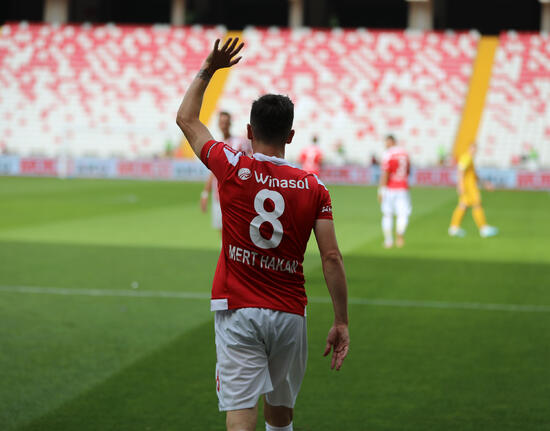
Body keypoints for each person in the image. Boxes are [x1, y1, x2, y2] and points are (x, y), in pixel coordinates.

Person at [176, 38, 349, 431]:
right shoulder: (314, 187)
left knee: (240, 415)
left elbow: (186, 119)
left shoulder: (232, 166)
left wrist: (209, 68)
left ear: (249, 131)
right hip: (289, 312)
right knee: (281, 415)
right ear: (290, 135)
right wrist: (341, 320)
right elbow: (331, 257)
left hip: (238, 309)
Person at [200, 111, 253, 231]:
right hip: (218, 194)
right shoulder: (217, 145)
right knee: (221, 229)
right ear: (218, 124)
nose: (223, 125)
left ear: (230, 123)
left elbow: (251, 160)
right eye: (221, 122)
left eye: (226, 122)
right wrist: (205, 193)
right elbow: (213, 171)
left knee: (236, 230)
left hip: (236, 194)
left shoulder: (240, 142)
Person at [449, 143, 498, 238]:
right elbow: (460, 170)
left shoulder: (470, 159)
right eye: (472, 149)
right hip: (469, 188)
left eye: (475, 149)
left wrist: (485, 183)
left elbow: (474, 175)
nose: (474, 151)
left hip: (468, 186)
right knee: (477, 204)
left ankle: (454, 228)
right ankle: (484, 229)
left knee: (463, 205)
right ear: (469, 149)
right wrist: (460, 185)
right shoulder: (466, 157)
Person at [378, 135, 411, 248]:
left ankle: (388, 240)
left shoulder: (388, 154)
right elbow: (408, 171)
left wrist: (381, 190)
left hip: (390, 188)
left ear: (391, 142)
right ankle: (400, 235)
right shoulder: (405, 153)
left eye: (386, 142)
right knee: (403, 214)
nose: (385, 145)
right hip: (403, 187)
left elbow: (385, 173)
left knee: (387, 214)